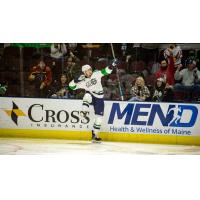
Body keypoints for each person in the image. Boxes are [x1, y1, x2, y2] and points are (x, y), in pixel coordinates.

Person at [69, 59, 118, 142]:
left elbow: (106, 71)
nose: (90, 71)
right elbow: (71, 86)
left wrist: (112, 65)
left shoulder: (96, 74)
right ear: (84, 72)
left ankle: (95, 135)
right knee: (87, 95)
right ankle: (84, 111)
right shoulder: (82, 80)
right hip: (91, 95)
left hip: (99, 98)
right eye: (87, 70)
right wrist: (75, 80)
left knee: (99, 118)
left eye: (90, 69)